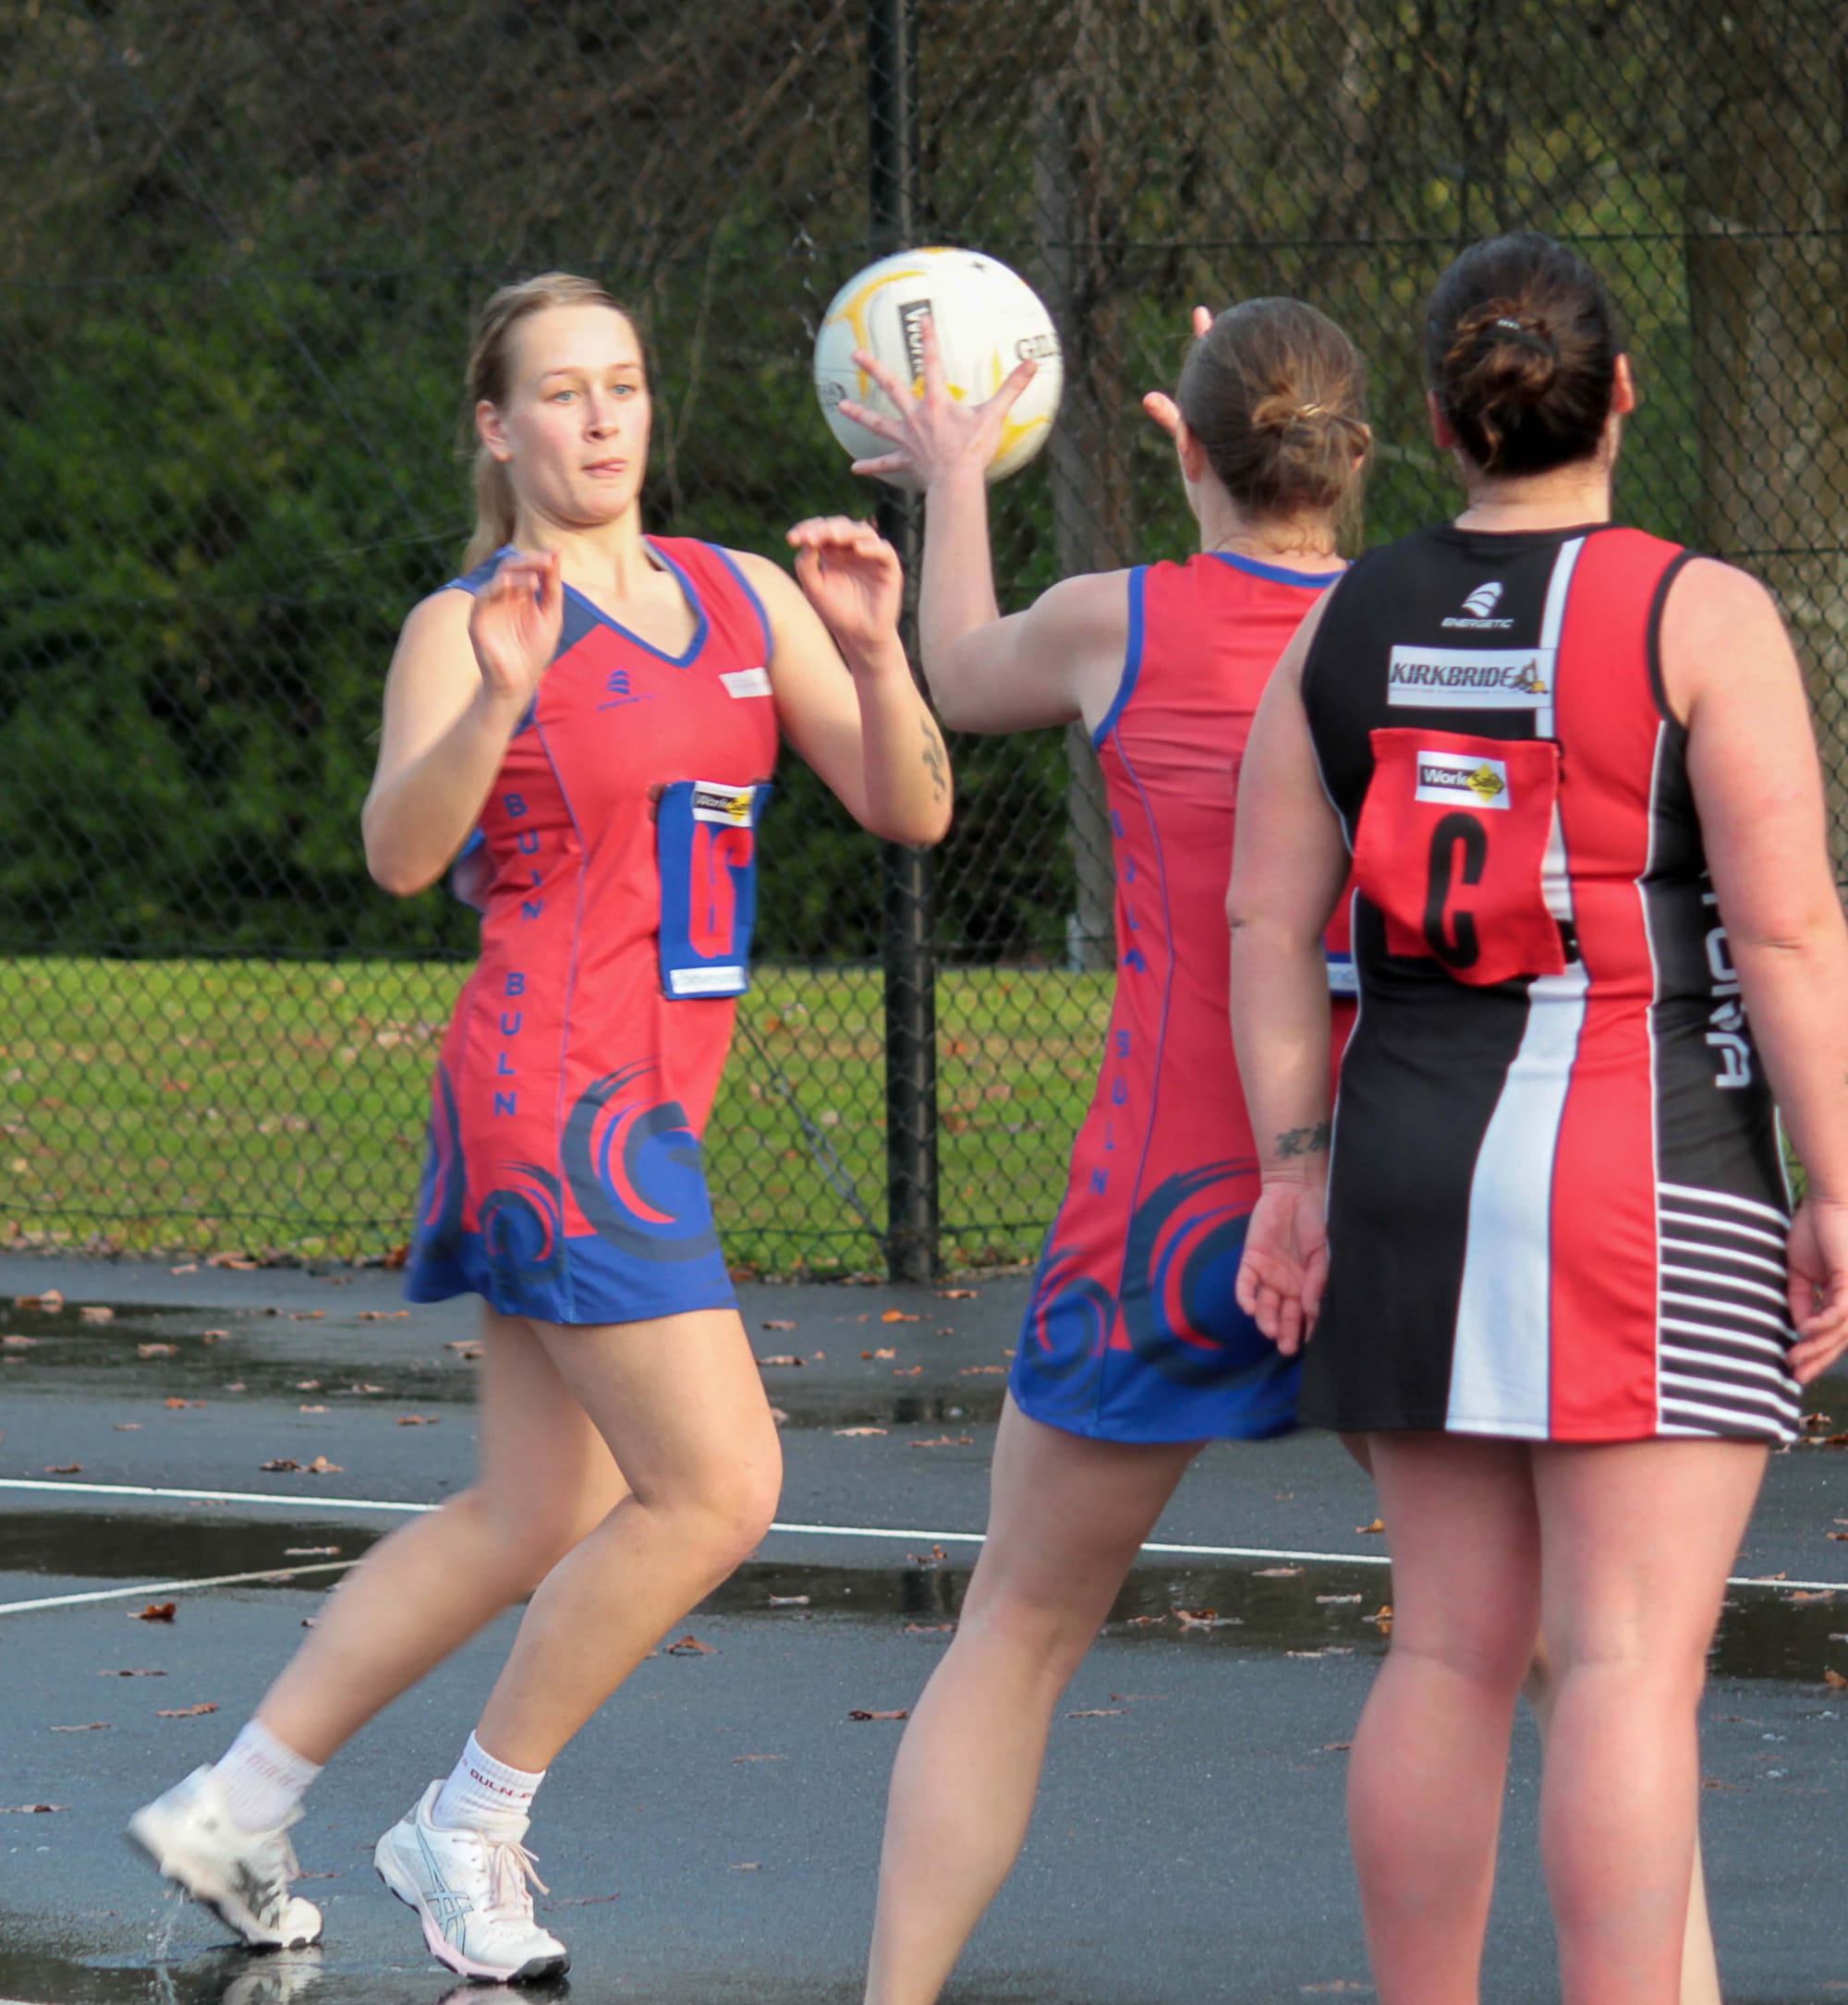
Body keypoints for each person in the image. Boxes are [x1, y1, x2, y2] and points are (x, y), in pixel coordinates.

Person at [127, 271, 953, 1985]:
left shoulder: (740, 593)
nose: (601, 417)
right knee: (721, 1486)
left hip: (645, 1098)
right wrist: (500, 694)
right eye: (561, 392)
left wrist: (880, 656)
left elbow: (912, 805)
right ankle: (471, 1819)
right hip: (558, 1095)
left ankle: (235, 1800)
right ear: (496, 428)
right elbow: (399, 854)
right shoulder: (473, 621)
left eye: (623, 384)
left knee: (530, 1509)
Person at [1228, 229, 1848, 2004]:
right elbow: (1788, 932)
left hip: (1409, 1165)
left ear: (1439, 422)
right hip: (1644, 1167)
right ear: (1622, 394)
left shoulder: (1344, 619)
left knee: (1446, 1651)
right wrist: (1839, 1183)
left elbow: (1266, 919)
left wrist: (1295, 1171)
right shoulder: (1696, 612)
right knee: (1630, 1667)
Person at [833, 299, 1368, 2005]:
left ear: (1182, 444)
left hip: (1172, 1198)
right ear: (1355, 453)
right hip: (1387, 1186)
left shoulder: (1116, 620)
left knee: (1017, 1630)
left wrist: (954, 471)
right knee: (1541, 1642)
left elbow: (954, 665)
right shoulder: (1418, 628)